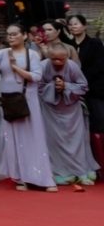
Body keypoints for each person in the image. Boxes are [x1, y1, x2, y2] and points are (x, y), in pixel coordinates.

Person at [0, 23, 55, 192]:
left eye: (15, 34)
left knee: (33, 137)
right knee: (13, 139)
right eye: (9, 34)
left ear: (24, 35)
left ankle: (42, 177)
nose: (11, 37)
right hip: (8, 100)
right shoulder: (2, 53)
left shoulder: (33, 54)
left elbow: (36, 77)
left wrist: (16, 67)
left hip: (27, 99)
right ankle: (20, 177)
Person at [38, 46, 98, 190]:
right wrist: (52, 87)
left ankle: (79, 171)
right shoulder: (42, 66)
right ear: (49, 57)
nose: (57, 62)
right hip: (50, 111)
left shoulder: (72, 66)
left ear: (67, 57)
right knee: (53, 142)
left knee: (76, 141)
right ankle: (57, 172)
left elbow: (83, 86)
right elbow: (37, 87)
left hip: (71, 111)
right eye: (54, 59)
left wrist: (66, 86)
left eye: (61, 59)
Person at [67, 14, 104, 133]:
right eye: (70, 24)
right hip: (74, 90)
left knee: (98, 120)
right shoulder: (68, 45)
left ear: (84, 26)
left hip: (94, 88)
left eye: (76, 24)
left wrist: (82, 79)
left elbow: (99, 65)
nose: (73, 26)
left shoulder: (94, 43)